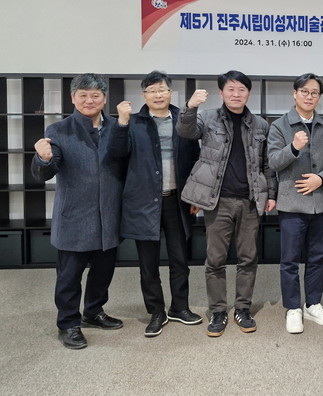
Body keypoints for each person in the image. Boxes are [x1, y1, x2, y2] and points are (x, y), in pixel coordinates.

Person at [176, 70, 277, 337]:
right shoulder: (207, 118)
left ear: (248, 94)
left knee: (248, 258)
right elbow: (185, 131)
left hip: (250, 201)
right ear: (221, 93)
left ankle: (242, 308)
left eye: (241, 89)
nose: (236, 94)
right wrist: (190, 107)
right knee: (215, 259)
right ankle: (218, 311)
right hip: (217, 201)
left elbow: (266, 164)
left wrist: (271, 194)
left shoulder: (260, 125)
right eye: (230, 89)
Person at [31, 73, 125, 349]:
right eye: (83, 95)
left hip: (109, 215)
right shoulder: (59, 130)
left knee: (103, 272)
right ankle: (68, 323)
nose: (89, 100)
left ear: (104, 99)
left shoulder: (117, 127)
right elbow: (44, 173)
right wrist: (43, 158)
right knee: (69, 277)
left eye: (95, 95)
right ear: (73, 98)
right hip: (74, 217)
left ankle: (94, 311)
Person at [112, 71, 202, 337]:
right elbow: (116, 154)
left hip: (177, 200)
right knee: (148, 263)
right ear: (144, 95)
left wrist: (194, 196)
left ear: (170, 93)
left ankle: (180, 307)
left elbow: (195, 160)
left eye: (162, 90)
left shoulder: (183, 120)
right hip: (144, 202)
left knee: (180, 259)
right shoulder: (134, 122)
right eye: (152, 91)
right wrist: (122, 123)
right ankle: (156, 312)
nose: (158, 95)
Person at [267, 73, 323, 334]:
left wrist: (321, 179)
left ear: (319, 97)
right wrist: (294, 148)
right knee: (289, 260)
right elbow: (273, 162)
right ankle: (293, 308)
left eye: (314, 93)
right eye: (305, 91)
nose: (309, 96)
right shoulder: (279, 126)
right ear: (295, 93)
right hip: (291, 204)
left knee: (317, 257)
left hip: (320, 202)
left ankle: (313, 304)